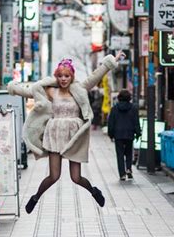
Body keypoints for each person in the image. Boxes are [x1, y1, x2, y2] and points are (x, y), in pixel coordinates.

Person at [8, 51, 124, 213]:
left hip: (74, 137)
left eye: (67, 76)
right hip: (55, 135)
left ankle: (93, 191)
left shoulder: (80, 89)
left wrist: (111, 62)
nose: (63, 79)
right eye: (61, 76)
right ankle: (36, 197)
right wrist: (13, 88)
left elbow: (95, 75)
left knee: (76, 177)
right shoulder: (50, 91)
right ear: (57, 76)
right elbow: (30, 91)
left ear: (72, 77)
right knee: (54, 176)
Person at [108, 89, 141, 181]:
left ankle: (122, 174)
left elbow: (111, 123)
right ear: (129, 98)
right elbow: (136, 122)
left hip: (118, 134)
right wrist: (138, 133)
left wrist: (111, 134)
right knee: (129, 153)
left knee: (120, 154)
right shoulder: (133, 108)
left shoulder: (114, 109)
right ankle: (129, 169)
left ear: (119, 98)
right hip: (129, 133)